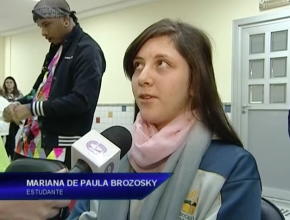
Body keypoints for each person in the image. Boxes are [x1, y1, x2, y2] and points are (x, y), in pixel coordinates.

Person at [68, 19, 262, 220]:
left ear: (195, 83)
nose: (143, 77)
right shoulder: (112, 155)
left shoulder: (232, 168)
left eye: (162, 63)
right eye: (138, 65)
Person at [2, 0, 106, 169]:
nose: (43, 32)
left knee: (53, 196)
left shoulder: (88, 50)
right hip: (28, 147)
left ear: (66, 19)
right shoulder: (55, 51)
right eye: (40, 27)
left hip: (58, 151)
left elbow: (81, 100)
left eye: (46, 24)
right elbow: (35, 93)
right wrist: (16, 105)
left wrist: (31, 109)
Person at [2, 76, 23, 158]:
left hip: (14, 119)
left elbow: (21, 105)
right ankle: (6, 155)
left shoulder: (19, 94)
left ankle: (10, 155)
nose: (9, 84)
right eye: (7, 82)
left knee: (11, 138)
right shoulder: (3, 94)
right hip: (5, 119)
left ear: (14, 84)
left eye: (11, 82)